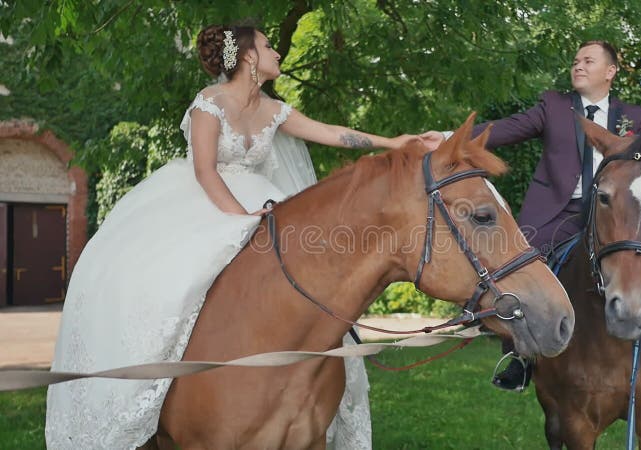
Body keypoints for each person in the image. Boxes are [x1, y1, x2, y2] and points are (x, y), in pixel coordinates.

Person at [45, 24, 421, 449]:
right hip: (206, 201)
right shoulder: (210, 103)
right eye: (267, 45)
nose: (276, 51)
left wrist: (395, 142)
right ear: (246, 57)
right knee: (169, 282)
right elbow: (205, 170)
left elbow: (331, 133)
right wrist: (242, 219)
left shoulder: (273, 110)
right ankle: (146, 389)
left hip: (263, 200)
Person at [422, 40, 641, 397]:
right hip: (559, 213)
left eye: (588, 60)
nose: (578, 65)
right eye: (576, 60)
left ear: (610, 71)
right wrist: (447, 137)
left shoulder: (634, 116)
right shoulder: (553, 106)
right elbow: (506, 128)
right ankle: (518, 360)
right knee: (513, 269)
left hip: (621, 216)